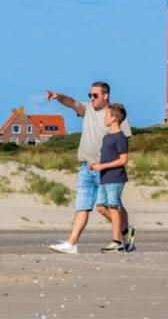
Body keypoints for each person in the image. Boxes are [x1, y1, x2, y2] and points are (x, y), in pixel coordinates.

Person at [47, 81, 135, 254]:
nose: (91, 98)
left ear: (105, 96)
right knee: (82, 205)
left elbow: (122, 147)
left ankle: (124, 232)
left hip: (106, 170)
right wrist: (59, 97)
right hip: (86, 168)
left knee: (111, 207)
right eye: (90, 95)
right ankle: (72, 243)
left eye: (95, 95)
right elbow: (72, 103)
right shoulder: (87, 109)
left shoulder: (115, 115)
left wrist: (107, 165)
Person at [89, 103, 130, 253]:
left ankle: (117, 241)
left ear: (114, 119)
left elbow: (123, 160)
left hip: (116, 177)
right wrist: (97, 165)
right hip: (104, 177)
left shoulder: (120, 137)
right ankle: (125, 229)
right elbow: (107, 158)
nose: (104, 118)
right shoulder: (107, 137)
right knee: (100, 207)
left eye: (106, 115)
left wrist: (103, 166)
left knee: (113, 207)